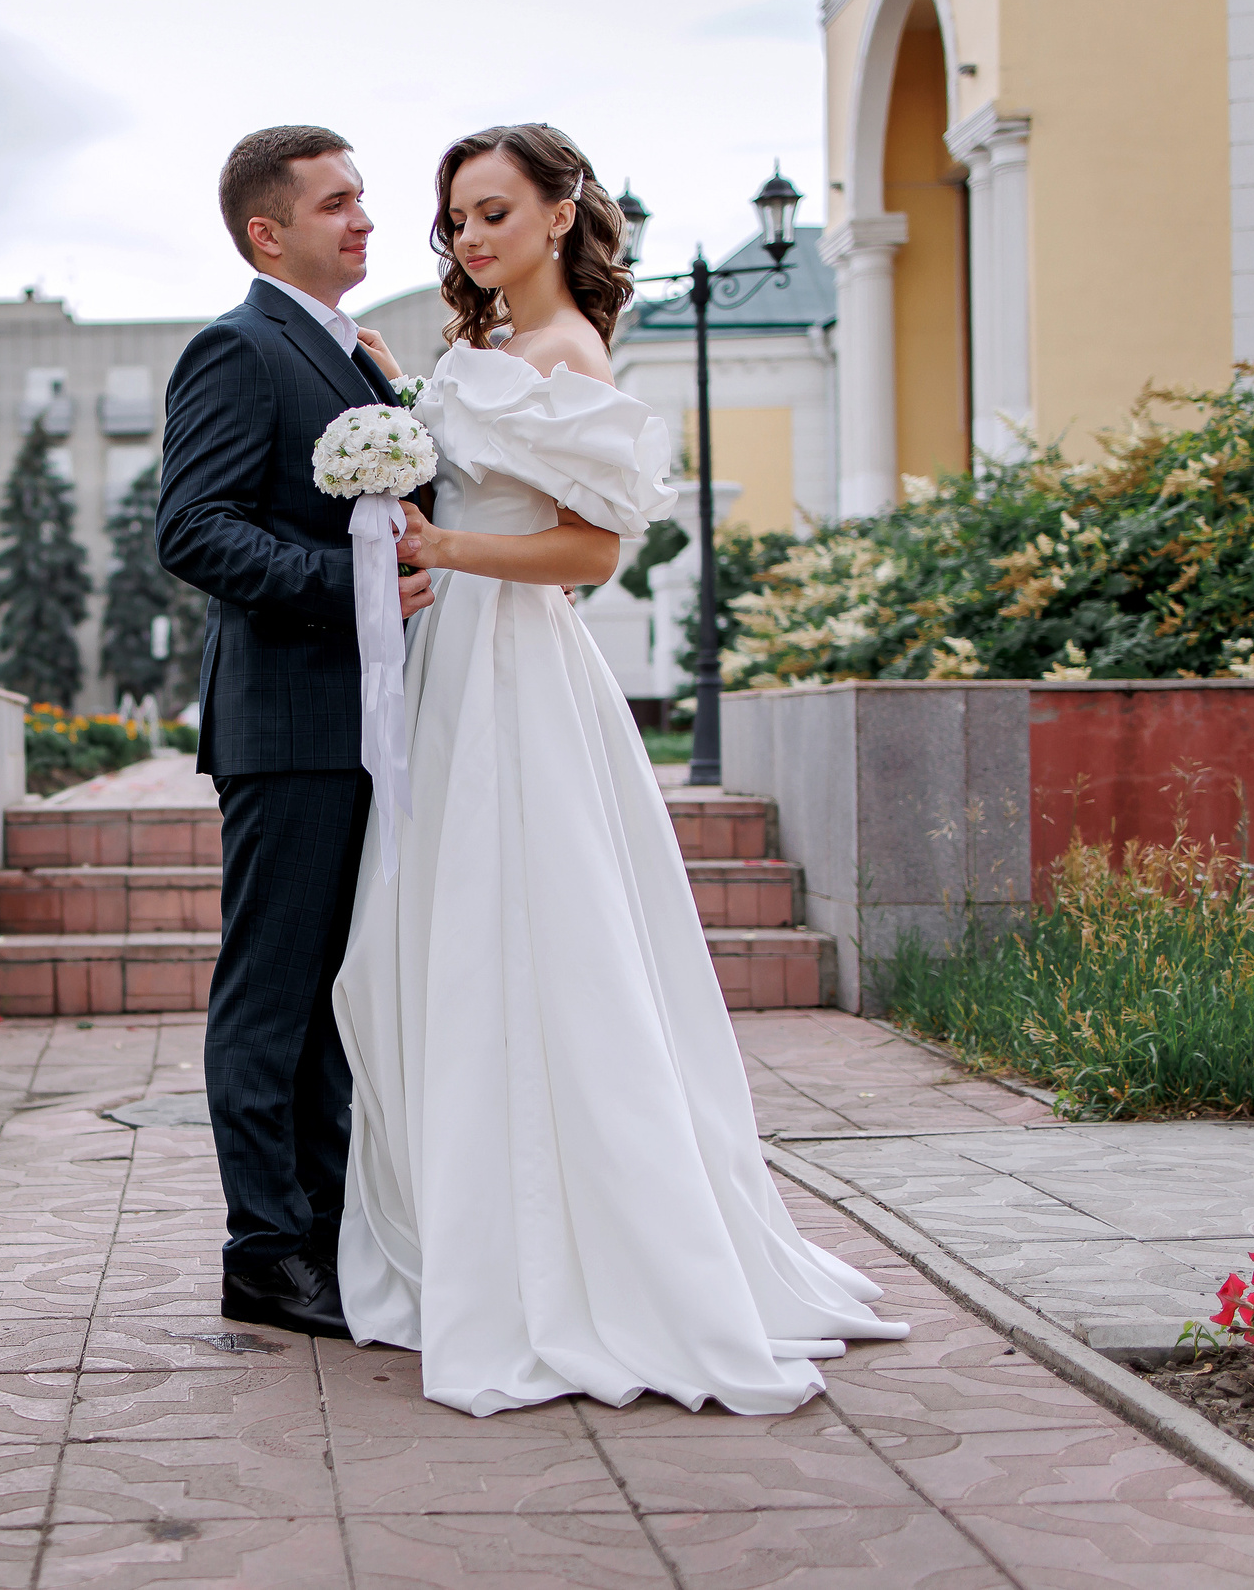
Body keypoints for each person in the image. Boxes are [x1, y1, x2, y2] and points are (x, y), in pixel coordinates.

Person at [332, 123, 908, 1417]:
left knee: (537, 937)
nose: (471, 237)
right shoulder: (487, 346)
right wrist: (401, 401)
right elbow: (472, 463)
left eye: (494, 212)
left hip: (518, 667)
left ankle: (584, 1253)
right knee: (432, 938)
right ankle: (466, 1226)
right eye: (457, 218)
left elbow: (590, 552)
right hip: (452, 664)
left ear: (558, 214)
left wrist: (445, 548)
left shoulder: (572, 354)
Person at [155, 126, 431, 1341]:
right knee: (273, 995)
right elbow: (193, 528)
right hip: (290, 722)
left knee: (335, 996)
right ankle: (264, 1252)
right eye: (335, 203)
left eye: (362, 197)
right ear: (267, 234)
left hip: (368, 722)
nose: (363, 219)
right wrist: (348, 585)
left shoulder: (350, 355)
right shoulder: (239, 347)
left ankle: (323, 1230)